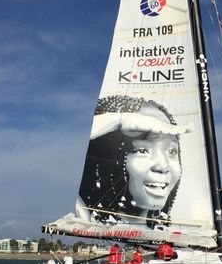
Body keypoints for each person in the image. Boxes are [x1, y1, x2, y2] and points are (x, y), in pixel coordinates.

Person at [76, 95, 192, 227]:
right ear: (107, 156)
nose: (162, 167)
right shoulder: (81, 219)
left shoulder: (173, 233)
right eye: (142, 150)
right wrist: (120, 121)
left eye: (171, 152)